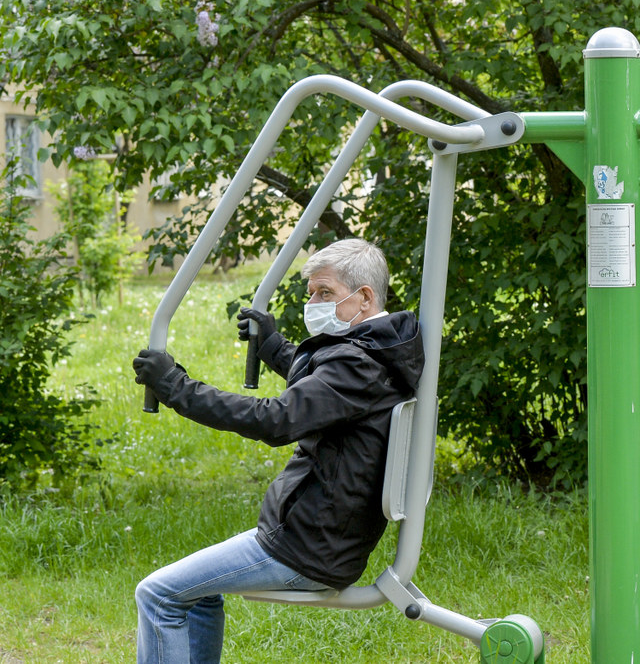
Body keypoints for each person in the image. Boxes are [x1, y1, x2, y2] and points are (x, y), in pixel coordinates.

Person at [131, 238, 424, 663]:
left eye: (326, 293)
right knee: (196, 595)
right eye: (312, 295)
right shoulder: (382, 351)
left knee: (158, 595)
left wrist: (176, 386)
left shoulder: (358, 364)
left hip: (304, 547)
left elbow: (276, 419)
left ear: (364, 297)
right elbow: (327, 391)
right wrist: (274, 347)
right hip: (319, 538)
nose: (315, 304)